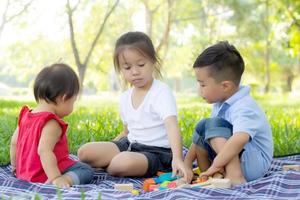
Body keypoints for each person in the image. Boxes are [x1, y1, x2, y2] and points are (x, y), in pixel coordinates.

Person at [78, 31, 192, 182]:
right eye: (127, 67)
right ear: (120, 69)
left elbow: (172, 126)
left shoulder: (161, 91)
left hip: (156, 152)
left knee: (121, 163)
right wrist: (111, 146)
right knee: (84, 152)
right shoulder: (125, 97)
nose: (135, 72)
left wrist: (177, 158)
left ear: (153, 61)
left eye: (141, 64)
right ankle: (110, 163)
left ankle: (110, 166)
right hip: (130, 145)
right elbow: (127, 131)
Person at [184, 41, 273, 184]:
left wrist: (217, 163)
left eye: (203, 85)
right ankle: (210, 176)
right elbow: (206, 133)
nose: (199, 90)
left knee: (213, 124)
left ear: (225, 86)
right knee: (203, 126)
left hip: (253, 164)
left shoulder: (245, 106)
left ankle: (235, 176)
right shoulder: (221, 103)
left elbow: (240, 139)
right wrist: (187, 163)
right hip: (234, 156)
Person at [10, 63, 94, 188]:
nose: (72, 106)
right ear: (64, 98)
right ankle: (65, 180)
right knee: (86, 170)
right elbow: (44, 151)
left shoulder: (26, 115)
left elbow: (14, 143)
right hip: (43, 173)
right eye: (73, 102)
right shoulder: (51, 122)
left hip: (25, 172)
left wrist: (16, 167)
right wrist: (56, 177)